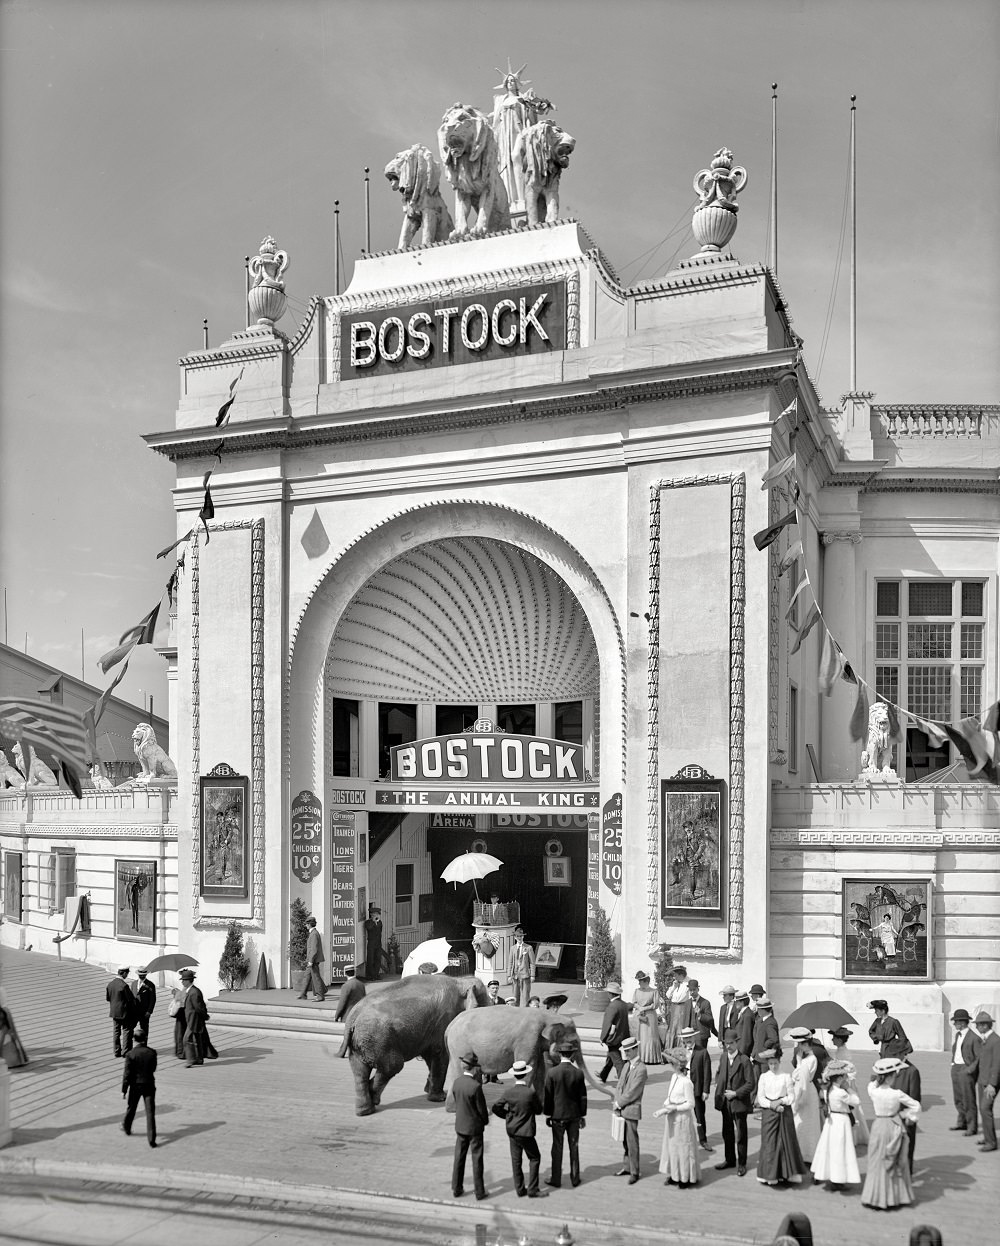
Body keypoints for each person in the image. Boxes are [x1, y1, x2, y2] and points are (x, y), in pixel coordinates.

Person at [861, 1056, 921, 1209]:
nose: (895, 1077)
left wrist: (877, 1076)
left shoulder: (874, 1091)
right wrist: (907, 1116)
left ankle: (874, 1197)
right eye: (894, 1075)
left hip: (878, 1126)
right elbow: (916, 1106)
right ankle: (893, 1197)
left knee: (877, 1160)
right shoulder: (896, 1094)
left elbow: (871, 1085)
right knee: (894, 1160)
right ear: (890, 1077)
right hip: (893, 1126)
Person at [492, 1059, 546, 1198]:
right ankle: (533, 1188)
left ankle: (520, 1189)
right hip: (526, 1131)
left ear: (514, 1075)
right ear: (525, 1075)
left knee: (516, 1160)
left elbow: (496, 1107)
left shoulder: (508, 1092)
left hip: (512, 1130)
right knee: (534, 1158)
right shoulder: (530, 1093)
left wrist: (507, 1116)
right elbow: (538, 1110)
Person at [755, 1049, 808, 1187]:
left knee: (786, 1142)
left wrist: (781, 1102)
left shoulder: (786, 1076)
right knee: (770, 1143)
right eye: (771, 1063)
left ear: (779, 1062)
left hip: (784, 1112)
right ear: (768, 1063)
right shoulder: (763, 1077)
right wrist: (771, 1105)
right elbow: (760, 1098)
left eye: (776, 1063)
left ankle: (787, 1173)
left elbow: (791, 1096)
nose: (773, 1066)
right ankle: (770, 1175)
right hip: (769, 1113)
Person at [543, 1038, 587, 1188]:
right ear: (572, 1055)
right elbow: (582, 1097)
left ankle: (556, 1178)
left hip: (558, 1115)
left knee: (557, 1147)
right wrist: (582, 1115)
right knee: (574, 1147)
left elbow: (548, 1096)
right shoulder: (578, 1073)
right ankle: (575, 1177)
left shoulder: (552, 1073)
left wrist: (548, 1114)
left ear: (560, 1054)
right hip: (574, 1115)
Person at [810, 1061, 860, 1190]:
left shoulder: (828, 1090)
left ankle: (819, 1173)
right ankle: (837, 1179)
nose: (845, 1078)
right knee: (840, 1149)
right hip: (841, 1120)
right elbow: (856, 1101)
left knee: (826, 1147)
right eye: (844, 1076)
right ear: (839, 1078)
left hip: (830, 1121)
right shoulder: (841, 1092)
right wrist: (848, 1088)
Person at [654, 1046, 700, 1187]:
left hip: (682, 1119)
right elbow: (670, 1095)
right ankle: (675, 1175)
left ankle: (685, 1177)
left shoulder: (687, 1082)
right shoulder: (674, 1077)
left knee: (684, 1148)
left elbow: (691, 1104)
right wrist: (665, 1106)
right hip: (672, 1118)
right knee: (673, 1148)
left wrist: (675, 1107)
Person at [451, 1049, 490, 1200]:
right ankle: (479, 1191)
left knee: (459, 1157)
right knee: (477, 1159)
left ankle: (456, 1187)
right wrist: (485, 1121)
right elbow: (481, 1109)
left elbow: (457, 1101)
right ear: (474, 1068)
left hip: (460, 1125)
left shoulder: (457, 1083)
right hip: (474, 1127)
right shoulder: (475, 1086)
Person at [714, 1027, 753, 1175]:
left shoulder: (744, 1060)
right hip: (725, 1103)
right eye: (726, 1043)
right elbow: (720, 1074)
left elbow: (750, 1083)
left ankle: (742, 1163)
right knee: (727, 1133)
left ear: (737, 1043)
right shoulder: (724, 1057)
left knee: (741, 1135)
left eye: (731, 1043)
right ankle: (729, 1159)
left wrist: (736, 1093)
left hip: (739, 1103)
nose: (728, 1046)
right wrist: (720, 1089)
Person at [613, 1036, 647, 1183]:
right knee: (625, 1141)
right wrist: (617, 1101)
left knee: (632, 1141)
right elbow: (620, 1085)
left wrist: (619, 1103)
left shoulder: (641, 1069)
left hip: (632, 1109)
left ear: (635, 1049)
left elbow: (633, 1092)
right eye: (624, 1050)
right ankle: (627, 1167)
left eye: (628, 1050)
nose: (626, 1053)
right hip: (622, 1108)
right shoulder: (627, 1065)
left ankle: (635, 1171)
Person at [788, 1027, 822, 1162]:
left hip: (805, 1090)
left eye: (799, 1044)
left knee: (806, 1124)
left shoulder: (811, 1059)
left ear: (804, 1044)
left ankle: (807, 1154)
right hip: (807, 1088)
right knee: (805, 1123)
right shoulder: (807, 1058)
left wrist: (797, 1100)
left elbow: (801, 1077)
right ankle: (803, 1153)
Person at [121, 1029, 157, 1147]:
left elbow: (127, 1074)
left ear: (134, 1039)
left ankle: (127, 1127)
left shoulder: (130, 1054)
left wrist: (124, 1089)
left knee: (132, 1107)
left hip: (135, 1085)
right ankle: (151, 1139)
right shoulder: (152, 1052)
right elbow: (153, 1068)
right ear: (145, 1038)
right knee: (150, 1111)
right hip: (148, 1084)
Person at [680, 1025, 713, 1152]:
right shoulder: (680, 1051)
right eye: (685, 1038)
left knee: (700, 1116)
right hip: (683, 1089)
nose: (688, 1040)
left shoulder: (702, 1052)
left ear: (694, 1037)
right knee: (683, 1115)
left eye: (689, 1037)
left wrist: (706, 1090)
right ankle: (685, 1138)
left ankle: (703, 1139)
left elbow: (707, 1072)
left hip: (697, 1089)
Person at [948, 1008, 979, 1136]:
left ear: (962, 1022)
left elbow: (978, 1057)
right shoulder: (958, 1035)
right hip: (956, 1068)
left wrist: (970, 1070)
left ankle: (972, 1127)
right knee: (958, 1098)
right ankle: (962, 1122)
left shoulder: (974, 1038)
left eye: (955, 1022)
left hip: (966, 1069)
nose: (954, 1024)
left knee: (968, 1099)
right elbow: (956, 1050)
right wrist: (953, 1063)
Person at [974, 1009, 1000, 1152]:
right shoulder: (986, 1040)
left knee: (985, 1109)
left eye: (978, 1025)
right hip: (982, 1080)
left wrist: (992, 1084)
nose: (977, 1027)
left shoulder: (995, 1041)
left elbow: (997, 1064)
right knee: (983, 1110)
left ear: (984, 1025)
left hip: (990, 1083)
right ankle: (987, 1137)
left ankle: (991, 1142)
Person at [891, 1055, 922, 1172]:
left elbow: (915, 1097)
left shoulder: (912, 1070)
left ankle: (907, 1171)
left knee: (908, 1144)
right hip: (892, 1116)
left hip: (906, 1114)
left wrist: (911, 1115)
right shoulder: (890, 1066)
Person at [180, 968, 215, 1067]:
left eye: (183, 980)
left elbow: (199, 1007)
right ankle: (199, 1059)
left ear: (188, 981)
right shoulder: (190, 991)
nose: (182, 982)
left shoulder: (194, 992)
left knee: (187, 1039)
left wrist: (205, 1016)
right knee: (197, 1039)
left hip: (194, 1020)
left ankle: (190, 1060)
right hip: (192, 1019)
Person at [598, 981, 629, 1084]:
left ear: (610, 994)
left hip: (614, 1037)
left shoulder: (612, 1006)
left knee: (616, 1059)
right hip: (623, 1035)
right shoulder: (623, 1004)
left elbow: (607, 1023)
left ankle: (623, 1079)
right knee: (611, 1056)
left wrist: (602, 1037)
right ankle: (603, 1074)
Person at [630, 971, 662, 1065]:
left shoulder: (654, 991)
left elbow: (655, 1005)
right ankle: (640, 1057)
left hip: (650, 1016)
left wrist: (645, 1008)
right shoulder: (637, 991)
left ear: (645, 981)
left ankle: (651, 1058)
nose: (639, 983)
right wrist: (639, 1008)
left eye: (640, 981)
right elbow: (634, 1002)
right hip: (639, 1015)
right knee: (640, 1036)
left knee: (650, 1036)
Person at [750, 997, 781, 1088]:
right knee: (755, 1082)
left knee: (766, 1083)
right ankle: (752, 1101)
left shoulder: (770, 1022)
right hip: (757, 1057)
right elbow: (756, 1039)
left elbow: (773, 1039)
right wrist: (754, 1053)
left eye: (759, 1009)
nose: (758, 1011)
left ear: (764, 1010)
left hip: (765, 1059)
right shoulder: (760, 1020)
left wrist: (764, 1046)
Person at [107, 966, 135, 1058]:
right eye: (127, 973)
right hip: (124, 1012)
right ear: (123, 973)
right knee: (126, 1031)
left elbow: (108, 998)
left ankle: (116, 1051)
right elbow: (130, 999)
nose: (127, 975)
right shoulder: (124, 985)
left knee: (116, 1032)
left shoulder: (110, 984)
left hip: (114, 1012)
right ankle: (125, 1052)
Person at [664, 965, 693, 1049]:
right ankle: (670, 1048)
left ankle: (680, 1048)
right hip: (674, 1007)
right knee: (672, 1028)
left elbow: (681, 997)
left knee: (679, 1028)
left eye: (675, 975)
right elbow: (668, 995)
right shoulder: (676, 983)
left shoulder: (687, 983)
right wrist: (674, 987)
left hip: (682, 1008)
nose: (674, 976)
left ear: (681, 975)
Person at [298, 916, 326, 1002]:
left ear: (309, 924)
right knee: (307, 976)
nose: (306, 925)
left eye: (306, 924)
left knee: (316, 977)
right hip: (312, 960)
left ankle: (320, 995)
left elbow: (314, 949)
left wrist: (311, 961)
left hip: (313, 960)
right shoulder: (313, 933)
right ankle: (303, 994)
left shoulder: (314, 934)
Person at [509, 926, 536, 1007]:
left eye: (521, 936)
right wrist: (509, 975)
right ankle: (516, 1012)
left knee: (525, 996)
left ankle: (525, 1011)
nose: (519, 938)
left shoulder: (528, 948)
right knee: (515, 996)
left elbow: (532, 962)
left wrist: (532, 975)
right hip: (515, 975)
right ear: (515, 937)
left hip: (525, 975)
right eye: (517, 936)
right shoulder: (512, 948)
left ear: (523, 936)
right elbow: (510, 962)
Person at [169, 977, 188, 1060]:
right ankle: (180, 1051)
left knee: (181, 1034)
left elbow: (182, 999)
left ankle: (181, 1052)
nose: (182, 982)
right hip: (181, 1014)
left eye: (183, 980)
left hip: (183, 1014)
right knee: (179, 1034)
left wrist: (177, 994)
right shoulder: (185, 989)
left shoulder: (189, 990)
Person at [363, 906, 384, 981]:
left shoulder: (379, 922)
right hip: (371, 943)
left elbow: (379, 930)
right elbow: (369, 928)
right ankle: (370, 976)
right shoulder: (368, 922)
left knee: (378, 959)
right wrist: (373, 921)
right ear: (371, 915)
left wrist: (376, 922)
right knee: (370, 959)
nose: (377, 916)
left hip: (378, 943)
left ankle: (376, 974)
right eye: (375, 914)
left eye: (377, 914)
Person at [134, 968, 156, 1036]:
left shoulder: (150, 985)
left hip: (144, 1012)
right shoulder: (133, 984)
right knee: (130, 1028)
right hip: (134, 1011)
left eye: (144, 975)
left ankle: (144, 1045)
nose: (142, 976)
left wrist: (149, 1011)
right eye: (140, 975)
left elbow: (153, 999)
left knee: (144, 1029)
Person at [734, 991, 755, 1056]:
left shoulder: (747, 1015)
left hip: (743, 1051)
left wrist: (742, 1053)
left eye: (737, 1001)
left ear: (742, 1002)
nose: (735, 1003)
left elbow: (747, 1037)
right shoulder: (742, 1013)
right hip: (739, 1049)